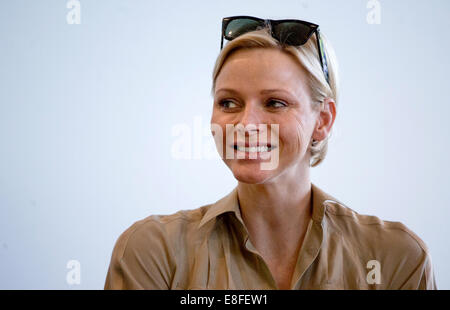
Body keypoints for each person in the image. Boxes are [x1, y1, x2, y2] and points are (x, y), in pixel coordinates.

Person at [104, 16, 437, 290]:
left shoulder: (396, 258)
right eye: (228, 102)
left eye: (275, 103)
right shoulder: (153, 252)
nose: (245, 124)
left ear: (322, 120)